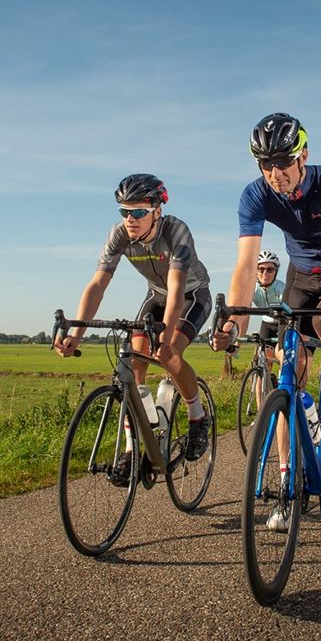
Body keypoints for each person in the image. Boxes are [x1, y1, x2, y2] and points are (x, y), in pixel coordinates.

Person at [212, 113, 321, 531]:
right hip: (301, 279)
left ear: (303, 155)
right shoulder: (255, 196)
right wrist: (234, 320)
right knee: (287, 368)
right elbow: (246, 265)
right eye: (264, 164)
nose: (274, 173)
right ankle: (285, 486)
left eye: (281, 161)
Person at [54, 174, 212, 482]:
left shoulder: (176, 231)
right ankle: (132, 449)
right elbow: (98, 284)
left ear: (156, 210)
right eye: (124, 211)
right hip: (156, 295)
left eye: (138, 211)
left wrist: (166, 339)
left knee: (168, 355)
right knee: (133, 367)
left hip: (191, 296)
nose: (130, 219)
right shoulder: (119, 235)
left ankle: (197, 415)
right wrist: (76, 334)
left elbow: (178, 289)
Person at [251, 250, 285, 370]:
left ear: (275, 271)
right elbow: (243, 312)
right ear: (256, 271)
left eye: (270, 269)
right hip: (267, 324)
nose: (265, 273)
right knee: (262, 361)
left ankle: (284, 385)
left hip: (283, 323)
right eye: (261, 269)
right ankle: (261, 387)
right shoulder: (253, 289)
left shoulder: (281, 288)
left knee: (282, 355)